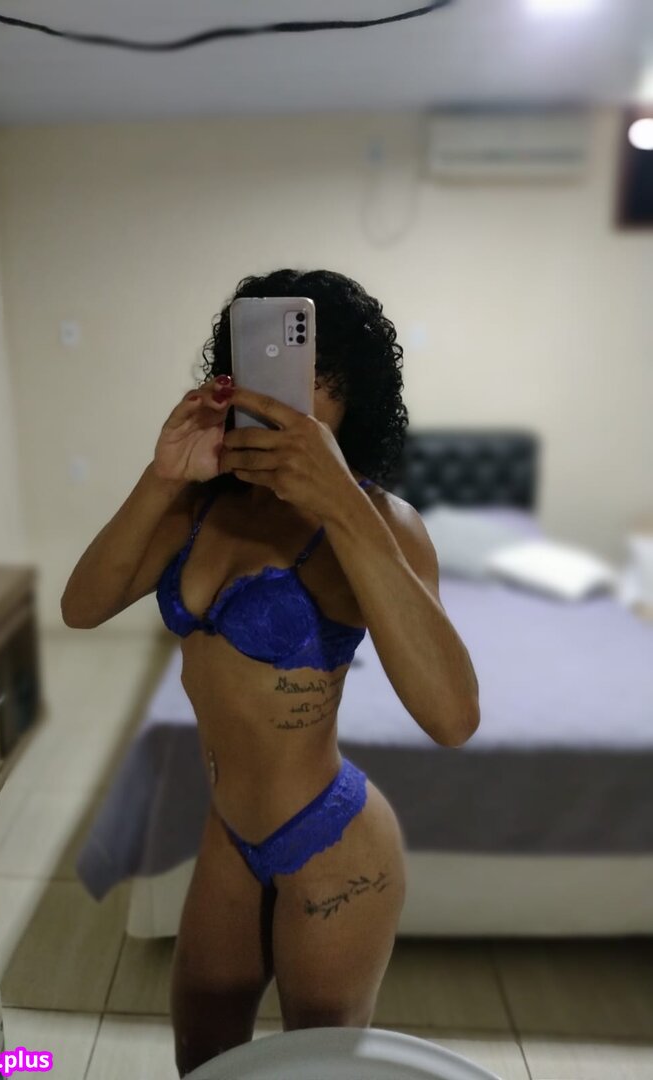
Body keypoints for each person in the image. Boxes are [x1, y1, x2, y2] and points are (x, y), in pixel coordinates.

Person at [61, 268, 480, 1077]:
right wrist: (161, 475)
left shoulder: (379, 523)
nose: (287, 398)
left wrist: (342, 503)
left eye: (318, 380)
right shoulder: (198, 505)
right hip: (228, 832)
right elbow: (81, 608)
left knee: (315, 1070)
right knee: (203, 1058)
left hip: (331, 841)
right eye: (269, 370)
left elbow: (451, 716)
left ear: (355, 398)